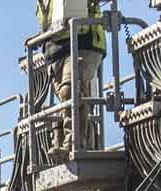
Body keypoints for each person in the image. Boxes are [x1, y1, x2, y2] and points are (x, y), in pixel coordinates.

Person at [35, 0, 107, 151]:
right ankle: (76, 141)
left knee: (70, 90)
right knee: (68, 97)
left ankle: (73, 143)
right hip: (55, 52)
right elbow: (52, 20)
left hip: (83, 42)